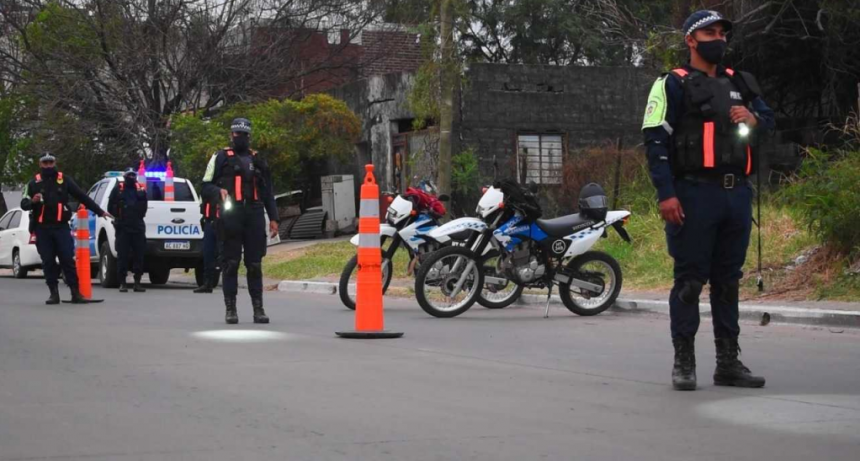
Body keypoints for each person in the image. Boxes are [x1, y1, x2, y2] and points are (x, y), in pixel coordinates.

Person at [641, 10, 775, 391]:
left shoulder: (740, 82)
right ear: (690, 40)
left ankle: (728, 363)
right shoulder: (671, 83)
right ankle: (684, 361)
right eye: (709, 33)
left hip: (736, 196)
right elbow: (655, 142)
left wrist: (752, 118)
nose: (718, 39)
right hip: (693, 194)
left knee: (728, 282)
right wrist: (666, 194)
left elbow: (768, 123)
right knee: (689, 282)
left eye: (722, 33)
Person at [202, 118, 279, 324]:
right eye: (237, 134)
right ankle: (231, 309)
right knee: (230, 263)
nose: (240, 138)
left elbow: (267, 191)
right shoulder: (219, 157)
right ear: (231, 135)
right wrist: (218, 191)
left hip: (254, 213)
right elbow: (205, 186)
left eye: (244, 135)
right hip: (230, 215)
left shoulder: (258, 160)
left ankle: (258, 309)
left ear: (249, 136)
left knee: (254, 264)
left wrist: (274, 218)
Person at [20, 153, 112, 304]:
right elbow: (24, 204)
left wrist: (100, 212)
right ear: (40, 164)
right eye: (45, 163)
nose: (48, 165)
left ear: (55, 162)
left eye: (51, 162)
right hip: (42, 229)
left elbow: (82, 197)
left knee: (67, 259)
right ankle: (53, 293)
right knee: (48, 261)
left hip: (61, 227)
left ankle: (75, 293)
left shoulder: (64, 180)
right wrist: (33, 201)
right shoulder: (33, 183)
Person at [107, 168, 148, 293]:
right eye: (129, 175)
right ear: (124, 177)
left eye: (133, 175)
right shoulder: (118, 189)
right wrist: (119, 217)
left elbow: (144, 207)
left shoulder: (141, 189)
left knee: (139, 255)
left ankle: (137, 282)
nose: (131, 177)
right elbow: (110, 207)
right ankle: (123, 283)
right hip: (123, 227)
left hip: (138, 226)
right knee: (122, 256)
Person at [193, 186, 221, 294]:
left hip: (224, 222)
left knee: (225, 255)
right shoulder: (207, 187)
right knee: (208, 253)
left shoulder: (225, 182)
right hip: (209, 221)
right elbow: (203, 194)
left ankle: (230, 283)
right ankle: (207, 283)